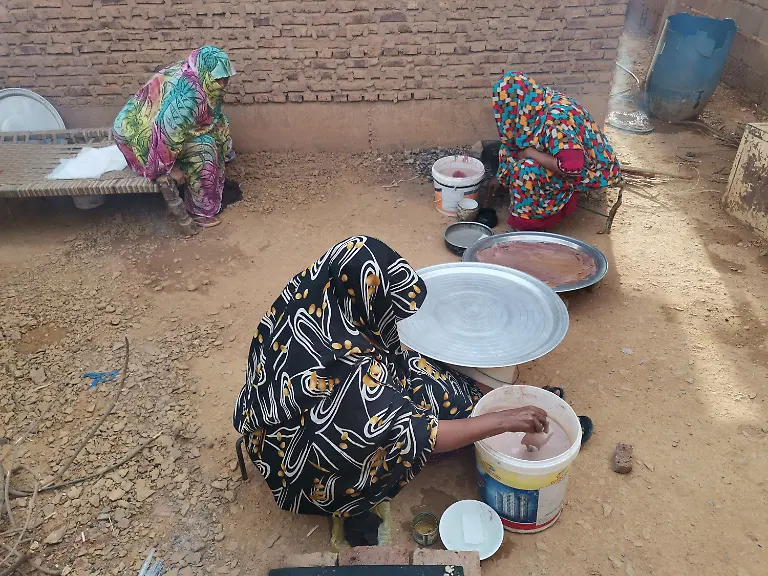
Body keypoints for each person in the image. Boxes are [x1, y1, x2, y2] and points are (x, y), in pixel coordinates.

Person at [232, 236, 548, 545]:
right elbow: (421, 435)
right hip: (301, 464)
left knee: (420, 374)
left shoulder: (311, 296)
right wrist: (504, 421)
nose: (394, 319)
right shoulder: (351, 372)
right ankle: (349, 504)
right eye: (390, 309)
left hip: (271, 423)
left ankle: (479, 403)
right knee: (406, 442)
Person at [113, 46, 235, 228]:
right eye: (219, 79)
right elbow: (165, 132)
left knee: (217, 127)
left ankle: (210, 181)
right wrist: (166, 171)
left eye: (226, 78)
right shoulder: (189, 96)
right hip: (137, 136)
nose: (224, 84)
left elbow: (211, 118)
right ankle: (199, 211)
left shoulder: (196, 71)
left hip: (151, 124)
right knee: (205, 148)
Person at [489, 72, 622, 231]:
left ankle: (528, 225)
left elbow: (572, 168)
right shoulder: (536, 103)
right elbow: (511, 142)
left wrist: (531, 154)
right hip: (565, 156)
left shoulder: (556, 119)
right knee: (513, 141)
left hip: (590, 170)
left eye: (506, 108)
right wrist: (500, 176)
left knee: (524, 170)